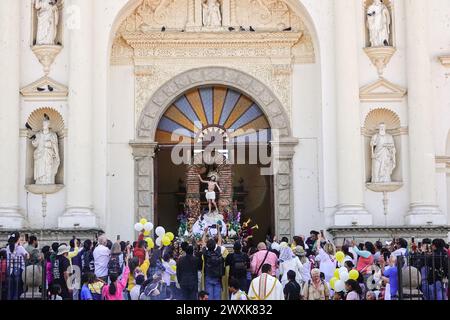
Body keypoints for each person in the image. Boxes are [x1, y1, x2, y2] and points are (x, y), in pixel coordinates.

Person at [5, 232, 29, 300]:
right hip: (18, 269)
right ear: (17, 239)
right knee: (17, 290)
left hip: (9, 269)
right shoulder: (20, 247)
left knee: (10, 289)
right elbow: (27, 256)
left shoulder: (7, 247)